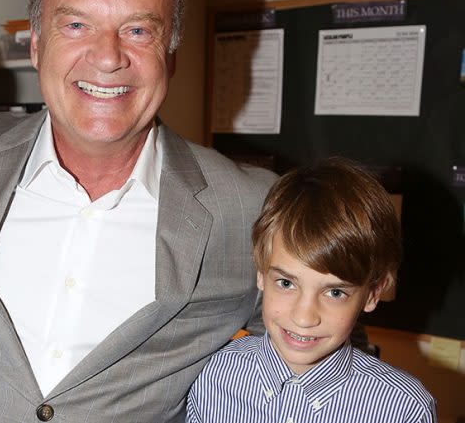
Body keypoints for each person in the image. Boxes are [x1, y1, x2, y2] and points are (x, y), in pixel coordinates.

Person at [0, 0, 275, 422]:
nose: (108, 56)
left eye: (138, 30)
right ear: (35, 43)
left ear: (171, 56)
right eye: (76, 24)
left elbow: (319, 348)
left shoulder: (249, 208)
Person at [187, 157, 437, 422]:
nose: (304, 318)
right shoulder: (211, 376)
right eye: (286, 283)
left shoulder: (403, 409)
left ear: (373, 293)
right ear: (261, 273)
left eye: (335, 293)